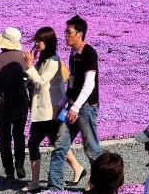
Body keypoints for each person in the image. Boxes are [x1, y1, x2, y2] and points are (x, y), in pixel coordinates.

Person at [48, 16, 101, 191]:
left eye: (69, 32)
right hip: (72, 106)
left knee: (91, 149)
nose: (65, 35)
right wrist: (62, 103)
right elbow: (72, 81)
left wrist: (76, 107)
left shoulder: (89, 53)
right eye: (66, 31)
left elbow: (89, 83)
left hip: (85, 108)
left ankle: (101, 185)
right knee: (60, 146)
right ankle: (55, 188)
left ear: (80, 34)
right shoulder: (73, 53)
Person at [25, 27, 67, 193]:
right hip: (42, 110)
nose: (37, 43)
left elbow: (41, 82)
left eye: (40, 40)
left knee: (38, 143)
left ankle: (38, 183)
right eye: (36, 40)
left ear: (48, 42)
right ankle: (36, 182)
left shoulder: (54, 61)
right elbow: (34, 80)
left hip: (49, 111)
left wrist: (29, 66)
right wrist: (29, 70)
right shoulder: (43, 59)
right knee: (56, 144)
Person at [0, 27, 32, 183]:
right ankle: (20, 165)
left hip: (3, 105)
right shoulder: (25, 58)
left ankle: (9, 172)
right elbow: (31, 81)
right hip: (21, 103)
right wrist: (33, 103)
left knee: (5, 139)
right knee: (19, 135)